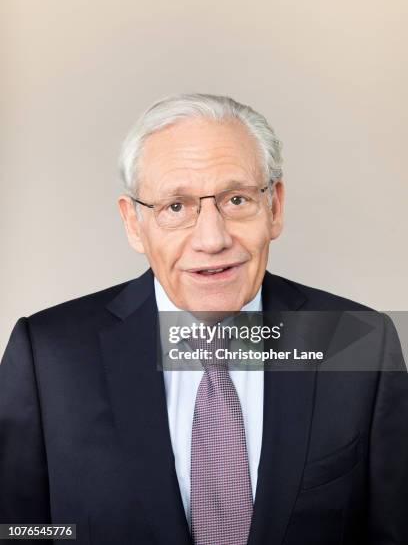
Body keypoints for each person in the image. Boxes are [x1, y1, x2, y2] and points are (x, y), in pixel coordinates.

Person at [0, 93, 407, 545]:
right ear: (134, 223)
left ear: (274, 207)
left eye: (236, 199)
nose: (212, 239)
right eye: (176, 207)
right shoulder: (47, 357)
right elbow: (18, 532)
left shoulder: (357, 343)